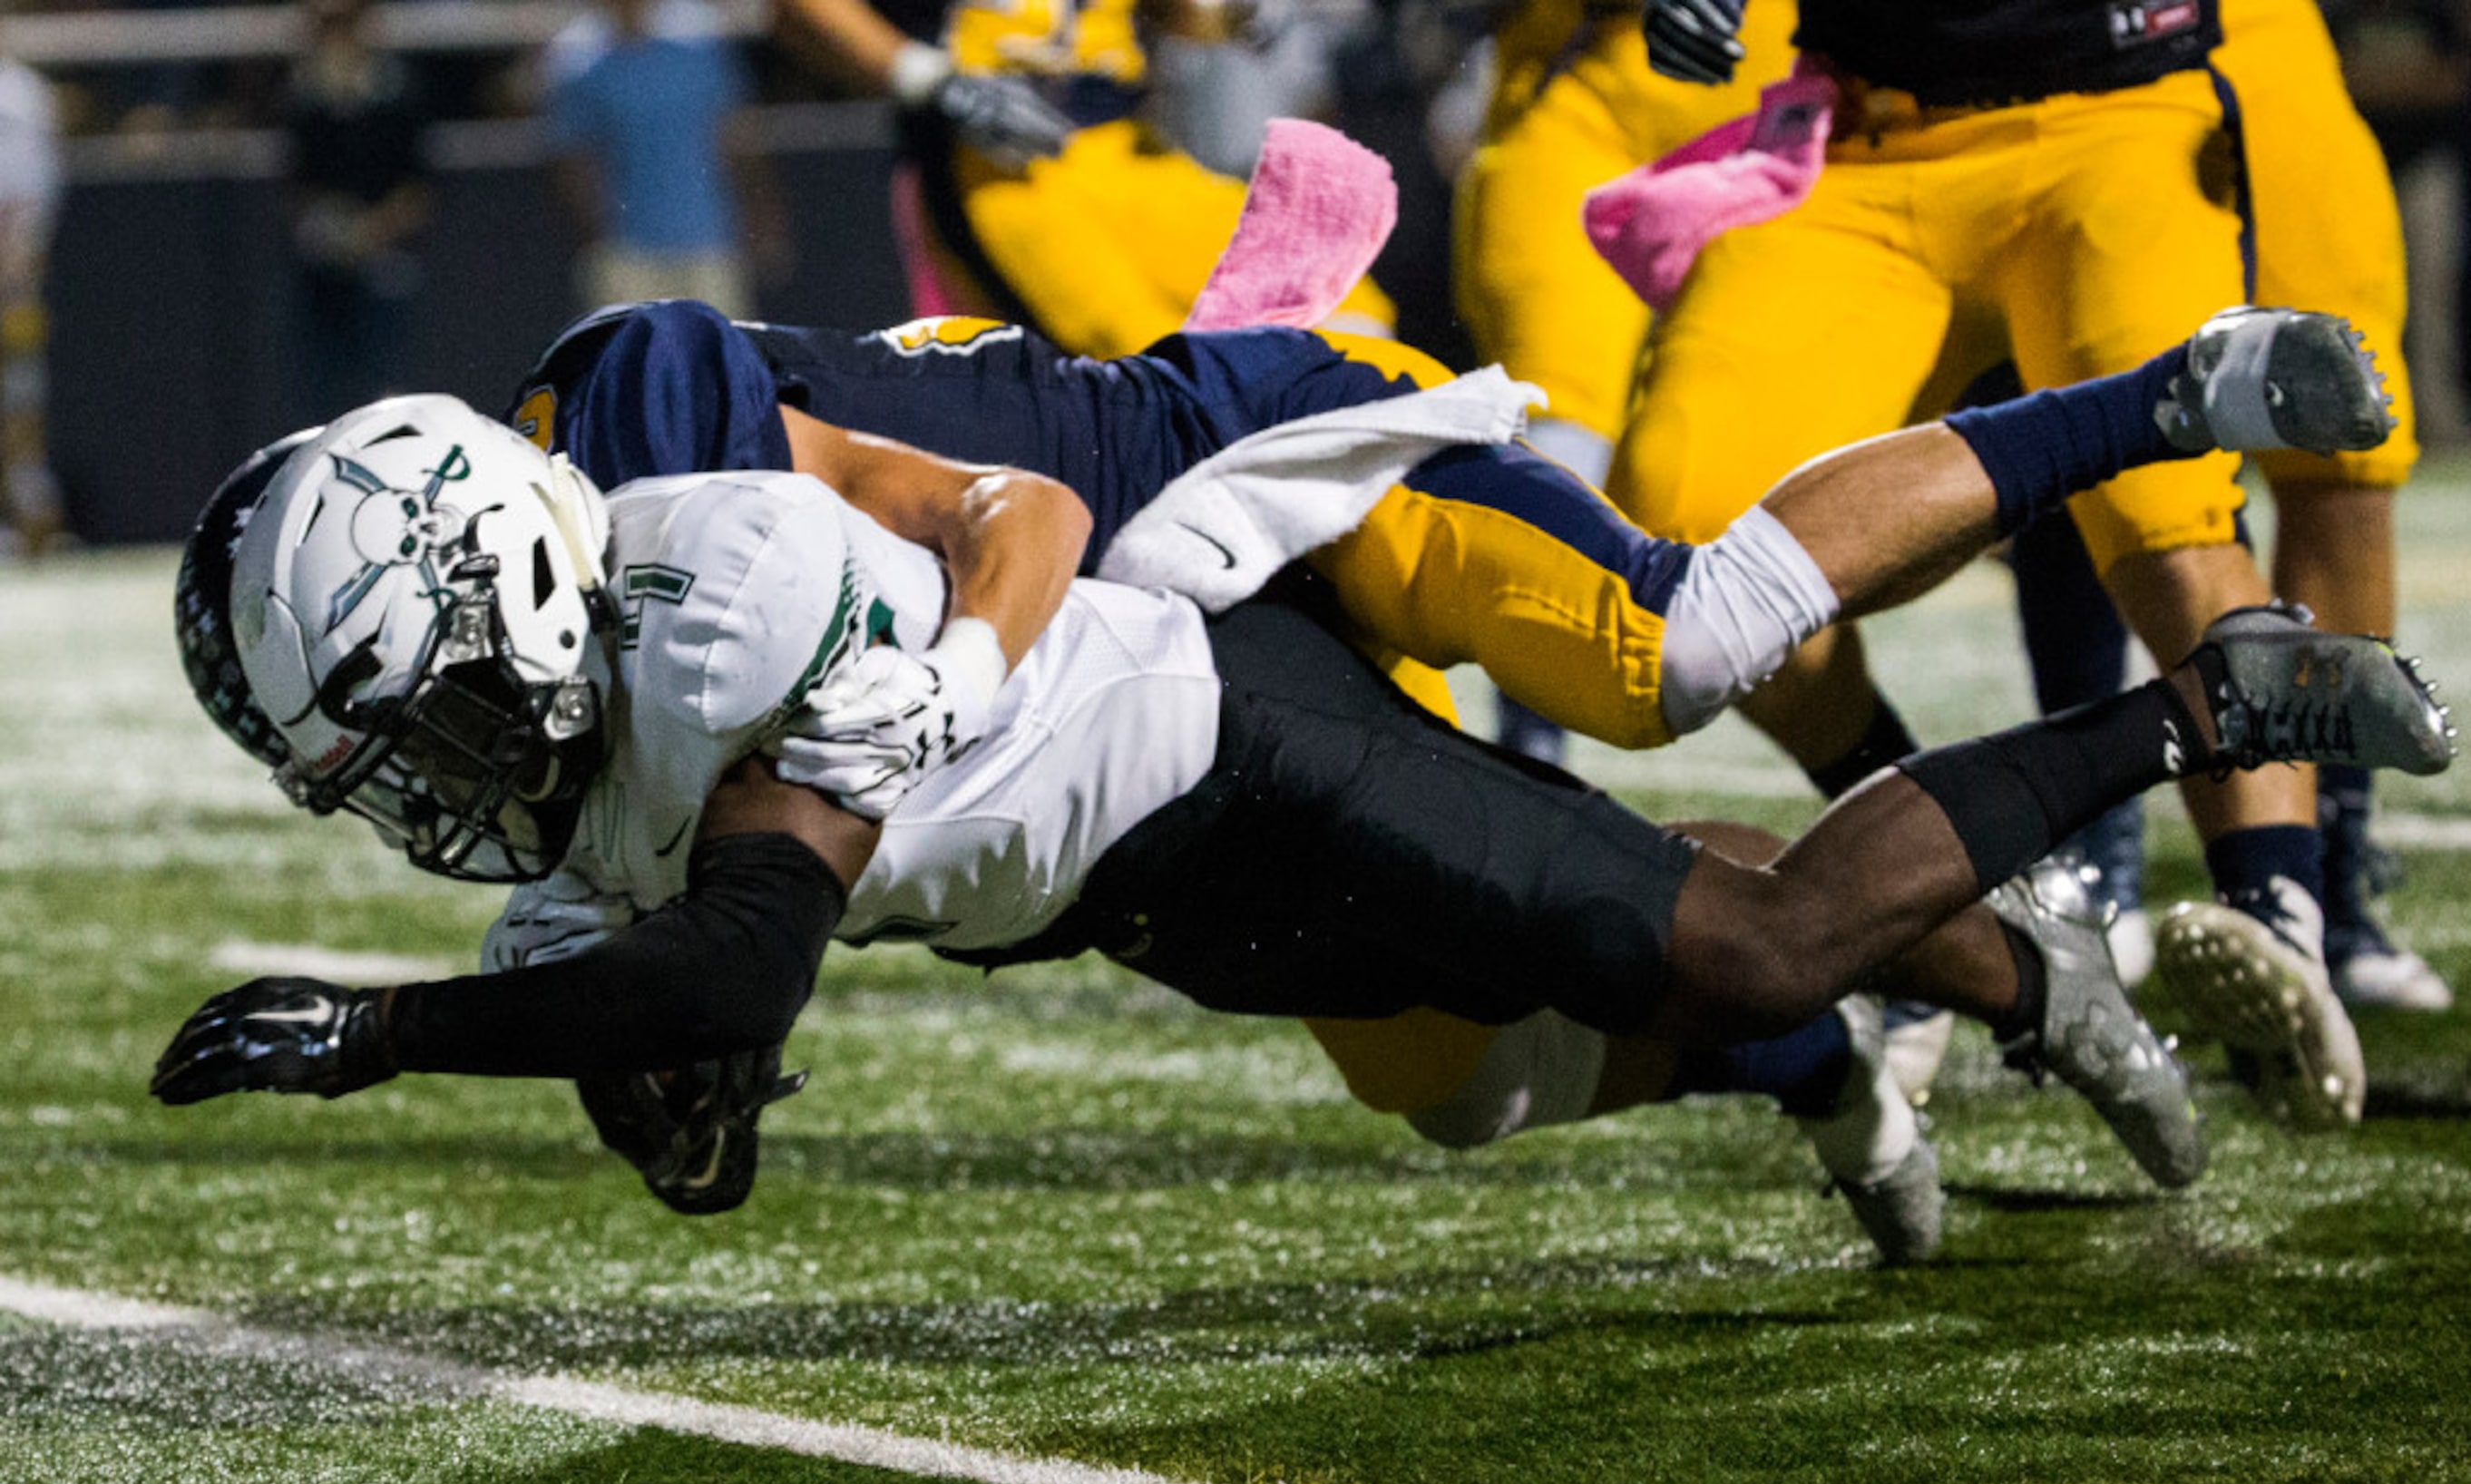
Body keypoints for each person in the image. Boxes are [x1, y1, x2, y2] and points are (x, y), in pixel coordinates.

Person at [152, 329, 2447, 1259]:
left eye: (431, 715)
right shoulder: (581, 689)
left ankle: (2166, 398)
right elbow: (706, 994)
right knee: (1482, 1064)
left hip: (1217, 497)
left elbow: (999, 530)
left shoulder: (679, 501)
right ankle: (1934, 1002)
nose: (443, 777)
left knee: (1680, 650)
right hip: (1116, 761)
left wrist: (947, 677)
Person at [1613, 0, 2390, 1128]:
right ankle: (1960, 878)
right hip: (1864, 148)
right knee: (1683, 539)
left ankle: (2281, 927)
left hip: (2118, 116)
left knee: (2169, 517)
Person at [1450, 0, 1795, 761]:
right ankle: (1530, 749)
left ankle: (1925, 798)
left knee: (1721, 481)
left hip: (1788, 119)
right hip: (1581, 109)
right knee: (1558, 421)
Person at [769, 0, 1391, 355]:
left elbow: (1172, 12)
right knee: (1145, 349)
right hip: (998, 159)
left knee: (1342, 303)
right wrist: (926, 78)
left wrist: (1232, 14)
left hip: (1127, 144)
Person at [542, 0, 784, 319]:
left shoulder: (701, 52)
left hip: (709, 246)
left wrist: (763, 218)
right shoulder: (576, 67)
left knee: (716, 362)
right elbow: (573, 163)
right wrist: (599, 243)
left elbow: (737, 141)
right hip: (627, 255)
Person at [284, 0, 437, 424]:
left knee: (387, 392)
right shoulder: (304, 98)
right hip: (324, 268)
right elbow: (298, 187)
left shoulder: (400, 91)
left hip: (389, 263)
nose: (337, 36)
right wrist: (335, 231)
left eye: (345, 23)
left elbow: (419, 186)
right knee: (322, 396)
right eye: (326, 24)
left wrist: (375, 230)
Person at [0, 53, 65, 556]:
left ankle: (29, 518)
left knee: (20, 402)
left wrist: (16, 262)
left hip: (13, 283)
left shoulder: (20, 96)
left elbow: (31, 200)